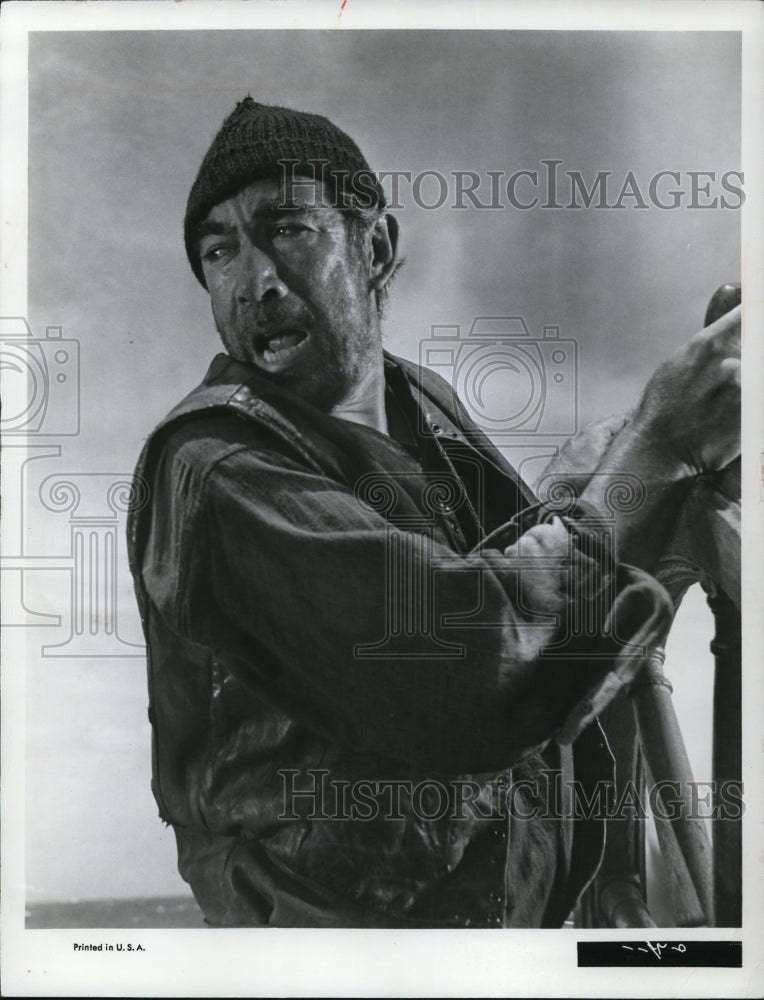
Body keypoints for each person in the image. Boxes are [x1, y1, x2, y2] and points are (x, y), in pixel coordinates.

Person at [126, 98, 741, 928]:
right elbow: (467, 661)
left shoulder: (422, 404)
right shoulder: (214, 469)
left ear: (374, 246)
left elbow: (510, 576)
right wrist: (658, 447)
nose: (254, 280)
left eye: (288, 229)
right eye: (218, 250)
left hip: (514, 924)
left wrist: (607, 466)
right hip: (333, 958)